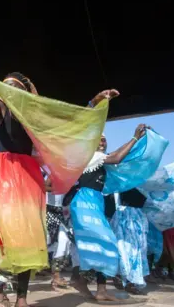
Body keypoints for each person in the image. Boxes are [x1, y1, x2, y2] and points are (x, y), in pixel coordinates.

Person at [0, 67, 112, 307]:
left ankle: (21, 299)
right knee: (11, 234)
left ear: (26, 93)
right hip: (7, 174)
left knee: (31, 236)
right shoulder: (2, 108)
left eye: (15, 86)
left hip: (29, 176)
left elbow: (69, 120)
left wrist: (94, 102)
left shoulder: (36, 119)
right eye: (5, 86)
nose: (9, 89)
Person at [65, 126, 149, 302]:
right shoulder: (91, 157)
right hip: (84, 202)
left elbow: (116, 155)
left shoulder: (99, 160)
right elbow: (117, 157)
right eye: (99, 139)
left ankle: (98, 289)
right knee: (106, 243)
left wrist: (136, 143)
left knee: (102, 246)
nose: (103, 141)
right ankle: (80, 280)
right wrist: (134, 138)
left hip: (94, 202)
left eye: (105, 139)